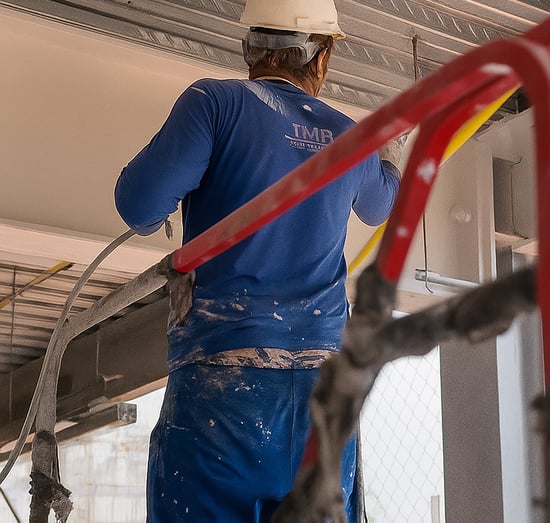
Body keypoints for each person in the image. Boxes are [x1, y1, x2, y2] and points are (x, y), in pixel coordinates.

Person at [114, 0, 402, 520]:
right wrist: (390, 157)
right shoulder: (349, 136)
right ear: (323, 58)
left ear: (250, 46)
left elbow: (138, 206)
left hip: (224, 395)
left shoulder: (214, 103)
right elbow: (382, 204)